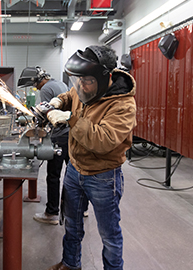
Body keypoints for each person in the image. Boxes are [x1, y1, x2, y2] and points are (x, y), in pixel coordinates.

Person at [45, 45, 137, 270]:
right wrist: (59, 101)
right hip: (75, 170)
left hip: (103, 177)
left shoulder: (123, 104)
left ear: (105, 77)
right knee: (72, 226)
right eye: (78, 80)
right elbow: (71, 95)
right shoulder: (84, 87)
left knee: (109, 236)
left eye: (86, 81)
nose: (80, 86)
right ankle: (70, 264)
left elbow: (103, 140)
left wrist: (70, 119)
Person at [17, 66, 70, 225]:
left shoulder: (46, 89)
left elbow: (45, 115)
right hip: (71, 134)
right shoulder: (60, 84)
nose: (35, 88)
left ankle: (52, 213)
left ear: (38, 81)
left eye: (34, 85)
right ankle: (78, 209)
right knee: (72, 175)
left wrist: (35, 123)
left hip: (59, 136)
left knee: (53, 176)